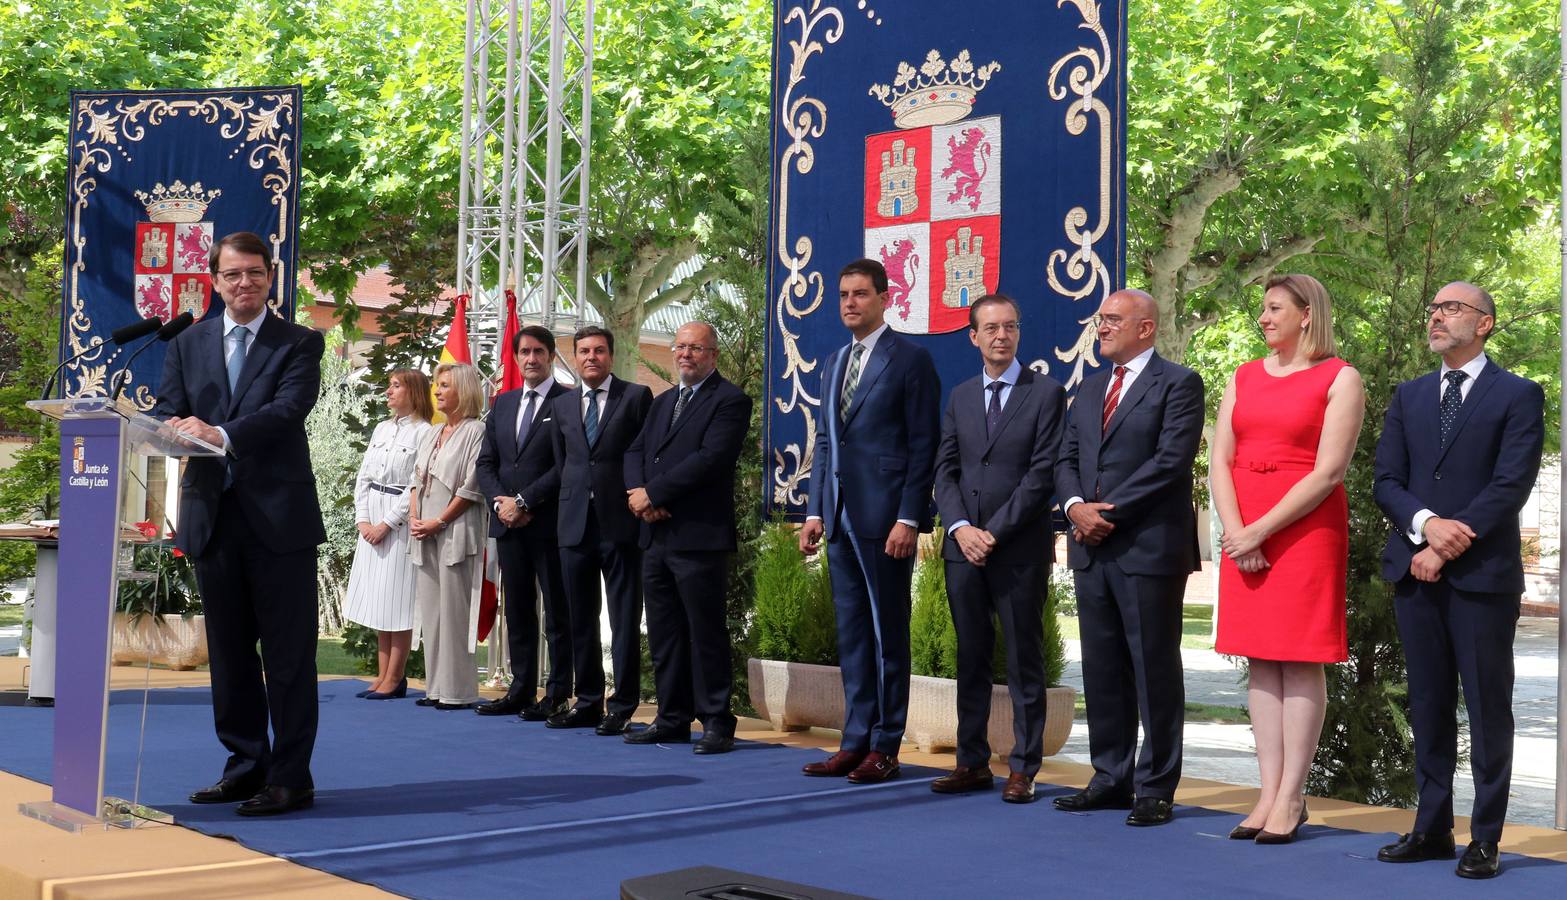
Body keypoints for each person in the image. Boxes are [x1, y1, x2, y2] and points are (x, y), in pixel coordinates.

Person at [1372, 282, 1544, 879]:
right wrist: (1425, 527)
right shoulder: (1410, 395)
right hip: (1415, 572)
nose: (1437, 316)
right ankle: (1432, 829)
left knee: (1488, 708)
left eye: (1452, 308)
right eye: (1435, 309)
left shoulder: (1519, 395)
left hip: (1480, 579)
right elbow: (1386, 479)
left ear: (1486, 323)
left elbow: (1510, 483)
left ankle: (1486, 838)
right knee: (1429, 705)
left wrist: (1448, 542)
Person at [156, 231, 326, 817]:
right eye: (232, 275)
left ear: (270, 277)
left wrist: (220, 434)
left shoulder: (299, 342)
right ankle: (245, 764)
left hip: (279, 523)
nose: (244, 283)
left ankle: (290, 777)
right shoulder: (188, 341)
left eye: (254, 273)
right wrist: (169, 426)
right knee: (229, 657)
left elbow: (287, 411)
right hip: (213, 518)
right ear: (215, 280)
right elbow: (167, 405)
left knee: (287, 657)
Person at [1211, 274, 1365, 843]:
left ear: (1307, 315)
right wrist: (1235, 533)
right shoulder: (1243, 375)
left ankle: (1293, 796)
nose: (1263, 317)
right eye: (1262, 308)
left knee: (1298, 657)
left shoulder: (1340, 377)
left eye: (1274, 308)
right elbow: (1219, 459)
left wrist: (1260, 532)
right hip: (1243, 523)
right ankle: (1267, 792)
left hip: (1303, 527)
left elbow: (1329, 472)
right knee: (1260, 657)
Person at [1052, 288, 1204, 827]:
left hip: (1147, 547)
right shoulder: (1089, 390)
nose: (1102, 327)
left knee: (1152, 666)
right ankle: (1109, 777)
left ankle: (1155, 785)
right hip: (1090, 548)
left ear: (1146, 327)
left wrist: (1103, 514)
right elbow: (1065, 457)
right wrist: (1074, 508)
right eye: (1100, 319)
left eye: (1112, 319)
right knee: (1102, 667)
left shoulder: (1180, 384)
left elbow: (1169, 463)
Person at [799, 259, 940, 784]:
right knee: (853, 635)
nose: (850, 303)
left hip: (887, 520)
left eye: (860, 293)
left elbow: (923, 444)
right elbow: (825, 442)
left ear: (885, 297)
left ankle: (886, 744)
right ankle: (853, 741)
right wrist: (815, 510)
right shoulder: (834, 361)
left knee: (887, 634)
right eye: (843, 295)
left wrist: (910, 515)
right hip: (837, 518)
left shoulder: (910, 360)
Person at [930, 294, 1066, 803]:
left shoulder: (1046, 393)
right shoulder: (961, 395)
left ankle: (1023, 767)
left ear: (1019, 333)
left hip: (1017, 551)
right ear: (973, 336)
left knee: (1023, 660)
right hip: (962, 549)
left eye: (1010, 327)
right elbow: (945, 469)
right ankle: (972, 762)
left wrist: (994, 532)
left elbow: (1041, 475)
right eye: (990, 328)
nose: (1000, 336)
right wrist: (961, 527)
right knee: (971, 657)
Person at [622, 321, 752, 754]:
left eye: (695, 348)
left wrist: (654, 493)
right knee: (664, 634)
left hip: (698, 536)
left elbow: (711, 459)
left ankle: (717, 720)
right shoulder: (663, 403)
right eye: (679, 347)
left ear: (713, 354)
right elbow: (634, 451)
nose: (684, 355)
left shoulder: (730, 400)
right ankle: (672, 718)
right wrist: (640, 497)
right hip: (656, 535)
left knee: (705, 632)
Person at [546, 325, 653, 734]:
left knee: (624, 618)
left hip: (620, 523)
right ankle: (587, 700)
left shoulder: (636, 397)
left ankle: (623, 705)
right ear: (574, 357)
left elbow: (642, 455)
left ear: (611, 356)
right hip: (573, 524)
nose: (592, 357)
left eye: (599, 351)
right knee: (579, 617)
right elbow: (565, 463)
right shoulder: (564, 404)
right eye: (584, 351)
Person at [473, 326, 573, 721]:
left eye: (538, 352)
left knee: (557, 613)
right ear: (516, 358)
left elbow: (566, 464)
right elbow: (487, 463)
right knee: (516, 610)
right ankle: (520, 690)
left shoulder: (568, 401)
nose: (531, 359)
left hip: (548, 523)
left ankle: (558, 693)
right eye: (524, 352)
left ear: (550, 356)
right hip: (508, 526)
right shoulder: (503, 403)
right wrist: (502, 505)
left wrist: (524, 501)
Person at [344, 369, 435, 700]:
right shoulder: (382, 428)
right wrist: (364, 519)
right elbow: (364, 476)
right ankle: (382, 674)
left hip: (398, 522)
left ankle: (396, 676)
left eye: (396, 386)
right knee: (380, 600)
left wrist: (387, 523)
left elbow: (415, 484)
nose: (389, 391)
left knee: (399, 601)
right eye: (389, 385)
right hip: (373, 517)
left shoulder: (425, 432)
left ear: (414, 391)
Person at [408, 362, 489, 711]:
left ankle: (458, 691)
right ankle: (435, 687)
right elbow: (415, 479)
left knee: (455, 611)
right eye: (437, 385)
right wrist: (415, 517)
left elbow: (472, 487)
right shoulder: (431, 433)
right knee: (432, 611)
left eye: (445, 386)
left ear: (464, 390)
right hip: (424, 530)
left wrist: (438, 521)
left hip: (455, 528)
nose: (437, 391)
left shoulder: (476, 431)